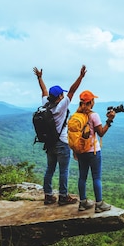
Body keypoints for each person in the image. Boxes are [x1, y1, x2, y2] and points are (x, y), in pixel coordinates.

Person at [33, 65, 87, 206]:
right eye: (62, 94)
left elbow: (43, 90)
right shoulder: (61, 106)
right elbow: (73, 90)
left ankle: (48, 196)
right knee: (63, 171)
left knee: (49, 169)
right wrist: (80, 76)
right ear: (60, 96)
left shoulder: (45, 104)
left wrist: (39, 77)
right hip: (62, 143)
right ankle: (63, 196)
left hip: (49, 143)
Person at [74, 89, 116, 213]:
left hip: (81, 151)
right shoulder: (94, 115)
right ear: (91, 102)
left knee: (82, 177)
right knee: (96, 177)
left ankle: (82, 203)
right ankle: (99, 204)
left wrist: (75, 150)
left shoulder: (76, 115)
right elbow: (101, 132)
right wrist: (110, 120)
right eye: (93, 100)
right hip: (93, 151)